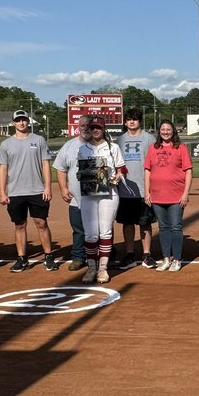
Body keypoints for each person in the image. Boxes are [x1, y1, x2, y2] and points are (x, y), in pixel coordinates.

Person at [0, 110, 58, 273]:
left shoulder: (38, 140)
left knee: (41, 223)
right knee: (20, 225)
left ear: (28, 121)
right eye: (18, 120)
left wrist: (47, 187)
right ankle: (22, 258)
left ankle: (48, 256)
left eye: (24, 120)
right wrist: (2, 191)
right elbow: (3, 169)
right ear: (13, 123)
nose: (21, 123)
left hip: (37, 190)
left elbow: (45, 164)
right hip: (15, 192)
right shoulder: (6, 144)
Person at [75, 115, 127, 284]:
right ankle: (92, 268)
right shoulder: (83, 149)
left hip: (109, 193)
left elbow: (122, 169)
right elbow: (80, 170)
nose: (96, 130)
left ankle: (103, 269)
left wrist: (117, 178)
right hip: (89, 194)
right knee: (90, 234)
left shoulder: (113, 147)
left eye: (99, 127)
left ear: (104, 129)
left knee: (105, 231)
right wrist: (81, 175)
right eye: (93, 128)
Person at [144, 120, 193, 272]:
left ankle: (177, 259)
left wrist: (186, 193)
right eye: (163, 129)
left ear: (173, 131)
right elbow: (147, 170)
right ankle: (166, 258)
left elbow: (188, 171)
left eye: (168, 129)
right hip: (157, 195)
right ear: (159, 131)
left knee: (176, 227)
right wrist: (147, 192)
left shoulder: (181, 147)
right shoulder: (153, 148)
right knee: (163, 227)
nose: (165, 132)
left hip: (176, 196)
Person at [117, 108, 157, 269]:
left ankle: (147, 254)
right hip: (125, 189)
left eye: (135, 119)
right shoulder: (119, 140)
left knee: (145, 223)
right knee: (127, 224)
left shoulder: (149, 139)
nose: (132, 122)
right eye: (129, 119)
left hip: (143, 188)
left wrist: (151, 188)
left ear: (140, 120)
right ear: (125, 122)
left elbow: (154, 164)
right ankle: (129, 254)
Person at [53, 120, 90, 271]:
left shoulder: (102, 144)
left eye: (89, 125)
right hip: (76, 196)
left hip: (98, 196)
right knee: (78, 229)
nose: (86, 128)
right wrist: (63, 188)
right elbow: (60, 168)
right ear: (78, 127)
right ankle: (78, 257)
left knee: (102, 229)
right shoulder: (69, 146)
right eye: (83, 125)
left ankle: (104, 255)